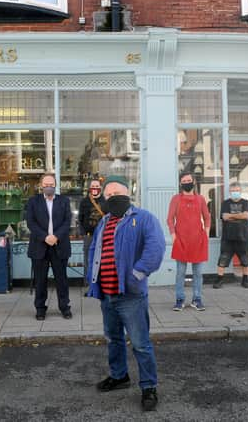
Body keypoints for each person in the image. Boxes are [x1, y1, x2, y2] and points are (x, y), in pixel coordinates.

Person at [87, 175, 166, 411]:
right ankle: (119, 376)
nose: (111, 197)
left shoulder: (143, 218)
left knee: (141, 344)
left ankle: (149, 387)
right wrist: (93, 279)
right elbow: (94, 250)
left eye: (116, 193)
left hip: (130, 294)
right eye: (107, 195)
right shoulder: (104, 222)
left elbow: (156, 247)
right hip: (107, 294)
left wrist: (137, 274)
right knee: (114, 339)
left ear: (127, 193)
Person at [25, 173, 72, 320]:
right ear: (41, 185)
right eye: (45, 184)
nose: (48, 187)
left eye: (51, 184)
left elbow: (67, 221)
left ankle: (65, 307)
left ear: (56, 184)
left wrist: (55, 236)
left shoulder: (64, 201)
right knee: (40, 280)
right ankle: (40, 309)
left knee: (62, 280)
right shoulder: (33, 201)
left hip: (59, 245)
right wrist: (45, 237)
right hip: (40, 245)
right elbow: (30, 223)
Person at [167, 173, 210, 311]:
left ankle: (197, 299)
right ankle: (179, 300)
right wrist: (173, 235)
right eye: (184, 181)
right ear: (180, 184)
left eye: (189, 180)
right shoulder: (176, 199)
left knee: (198, 273)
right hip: (181, 240)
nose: (186, 183)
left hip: (198, 240)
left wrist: (206, 234)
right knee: (180, 272)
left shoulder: (200, 199)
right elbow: (169, 219)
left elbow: (207, 217)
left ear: (194, 182)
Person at [215, 182, 248, 289]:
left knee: (245, 259)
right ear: (230, 192)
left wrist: (231, 216)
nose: (235, 192)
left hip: (243, 237)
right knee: (222, 259)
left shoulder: (246, 202)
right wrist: (239, 216)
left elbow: (246, 215)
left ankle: (245, 279)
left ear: (240, 191)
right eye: (233, 191)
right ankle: (219, 279)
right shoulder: (225, 203)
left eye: (237, 190)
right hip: (228, 237)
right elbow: (224, 217)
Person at [78, 178, 107, 274]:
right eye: (93, 187)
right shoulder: (84, 201)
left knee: (103, 261)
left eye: (97, 186)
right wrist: (83, 233)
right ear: (89, 188)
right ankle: (88, 284)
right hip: (89, 236)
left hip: (103, 236)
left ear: (101, 188)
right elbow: (80, 218)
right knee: (88, 261)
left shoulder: (105, 201)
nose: (95, 188)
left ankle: (101, 285)